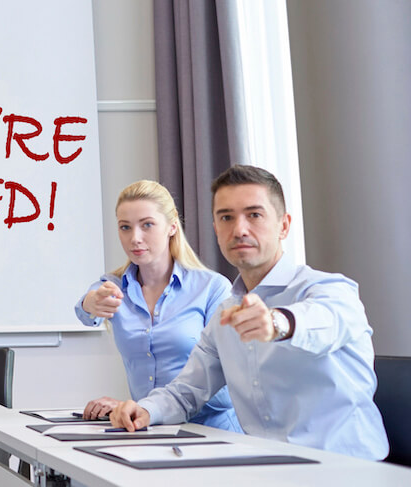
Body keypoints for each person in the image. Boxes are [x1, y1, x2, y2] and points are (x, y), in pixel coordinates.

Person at [110, 165, 388, 460]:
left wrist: (277, 322)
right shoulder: (225, 315)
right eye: (226, 217)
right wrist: (146, 410)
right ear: (217, 229)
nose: (239, 229)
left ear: (283, 225)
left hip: (345, 470)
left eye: (254, 215)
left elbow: (326, 320)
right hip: (265, 468)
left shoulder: (329, 289)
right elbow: (186, 391)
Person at [75, 180, 240, 432]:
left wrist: (151, 408)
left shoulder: (212, 288)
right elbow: (86, 307)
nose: (135, 238)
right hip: (151, 430)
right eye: (125, 227)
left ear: (172, 226)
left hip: (213, 432)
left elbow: (228, 379)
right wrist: (91, 302)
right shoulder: (115, 287)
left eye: (147, 225)